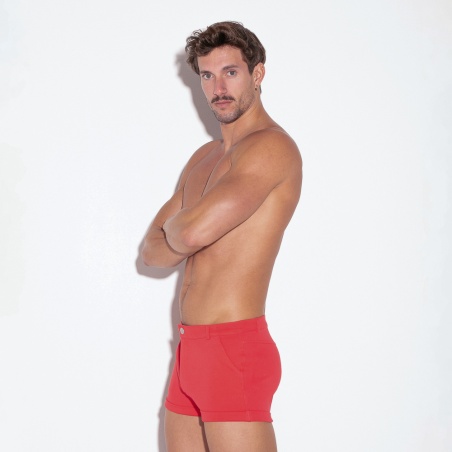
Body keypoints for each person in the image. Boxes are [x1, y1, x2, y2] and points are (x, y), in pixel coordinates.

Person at [142, 21, 302, 452]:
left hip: (234, 348)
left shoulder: (271, 148)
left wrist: (181, 226)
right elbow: (152, 253)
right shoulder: (205, 157)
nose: (218, 88)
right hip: (189, 349)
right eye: (208, 75)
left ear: (257, 73)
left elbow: (189, 232)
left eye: (231, 72)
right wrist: (184, 230)